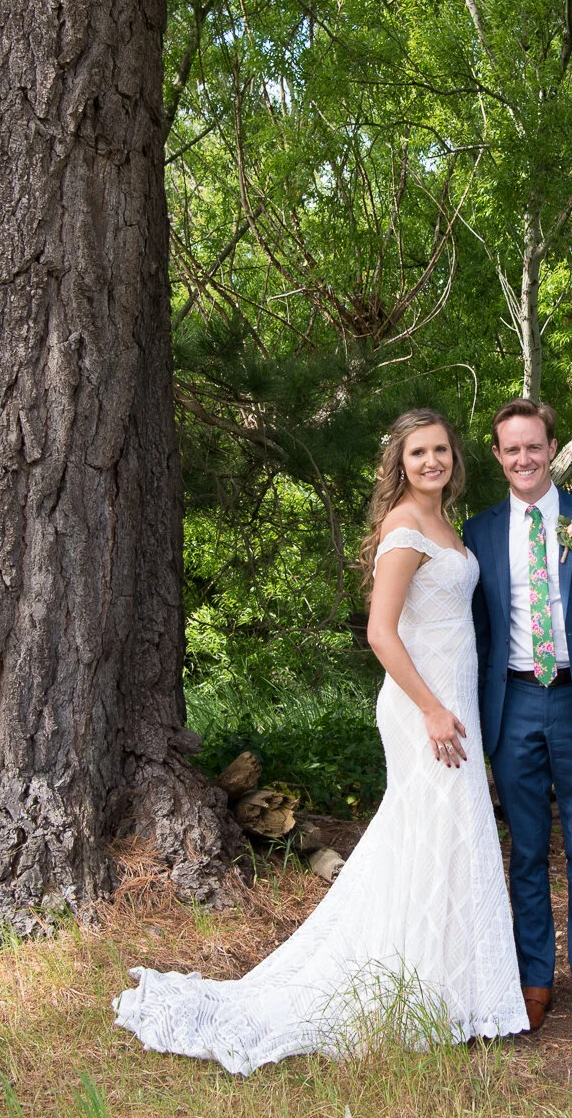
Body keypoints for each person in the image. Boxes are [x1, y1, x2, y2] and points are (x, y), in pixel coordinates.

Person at [111, 408, 525, 1073]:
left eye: (440, 450)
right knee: (430, 837)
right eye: (418, 452)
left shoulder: (448, 522)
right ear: (399, 462)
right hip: (426, 710)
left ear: (455, 457)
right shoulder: (405, 525)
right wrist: (433, 710)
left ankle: (452, 993)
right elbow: (381, 633)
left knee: (446, 841)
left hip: (454, 706)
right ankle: (410, 991)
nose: (431, 462)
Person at [465, 397, 572, 1037]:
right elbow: (476, 631)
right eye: (511, 449)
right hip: (514, 704)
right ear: (497, 456)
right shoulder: (479, 531)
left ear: (552, 448)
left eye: (533, 446)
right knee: (528, 851)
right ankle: (534, 978)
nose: (523, 458)